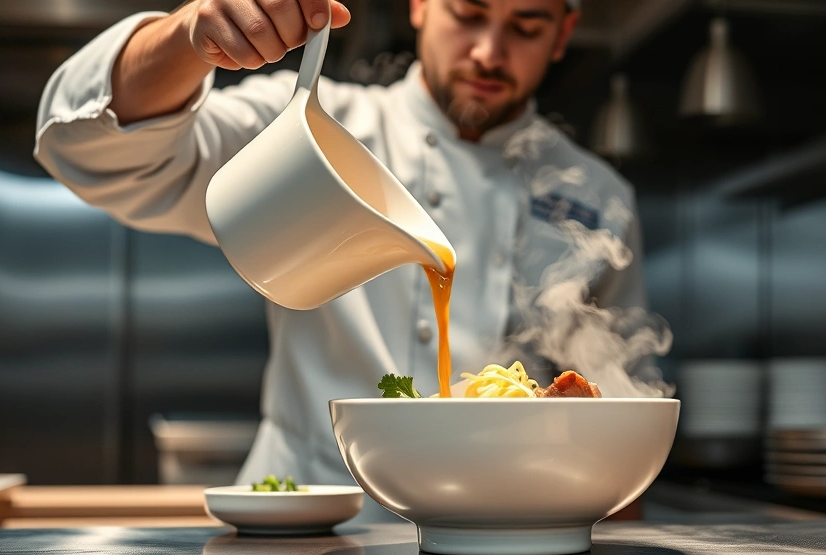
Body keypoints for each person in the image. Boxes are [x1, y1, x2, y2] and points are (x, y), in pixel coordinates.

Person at [34, 0, 649, 522]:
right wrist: (185, 35)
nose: (489, 52)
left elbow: (618, 423)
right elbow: (87, 153)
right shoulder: (315, 123)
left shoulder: (596, 202)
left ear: (563, 35)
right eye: (467, 13)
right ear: (420, 6)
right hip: (298, 523)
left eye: (527, 26)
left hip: (495, 533)